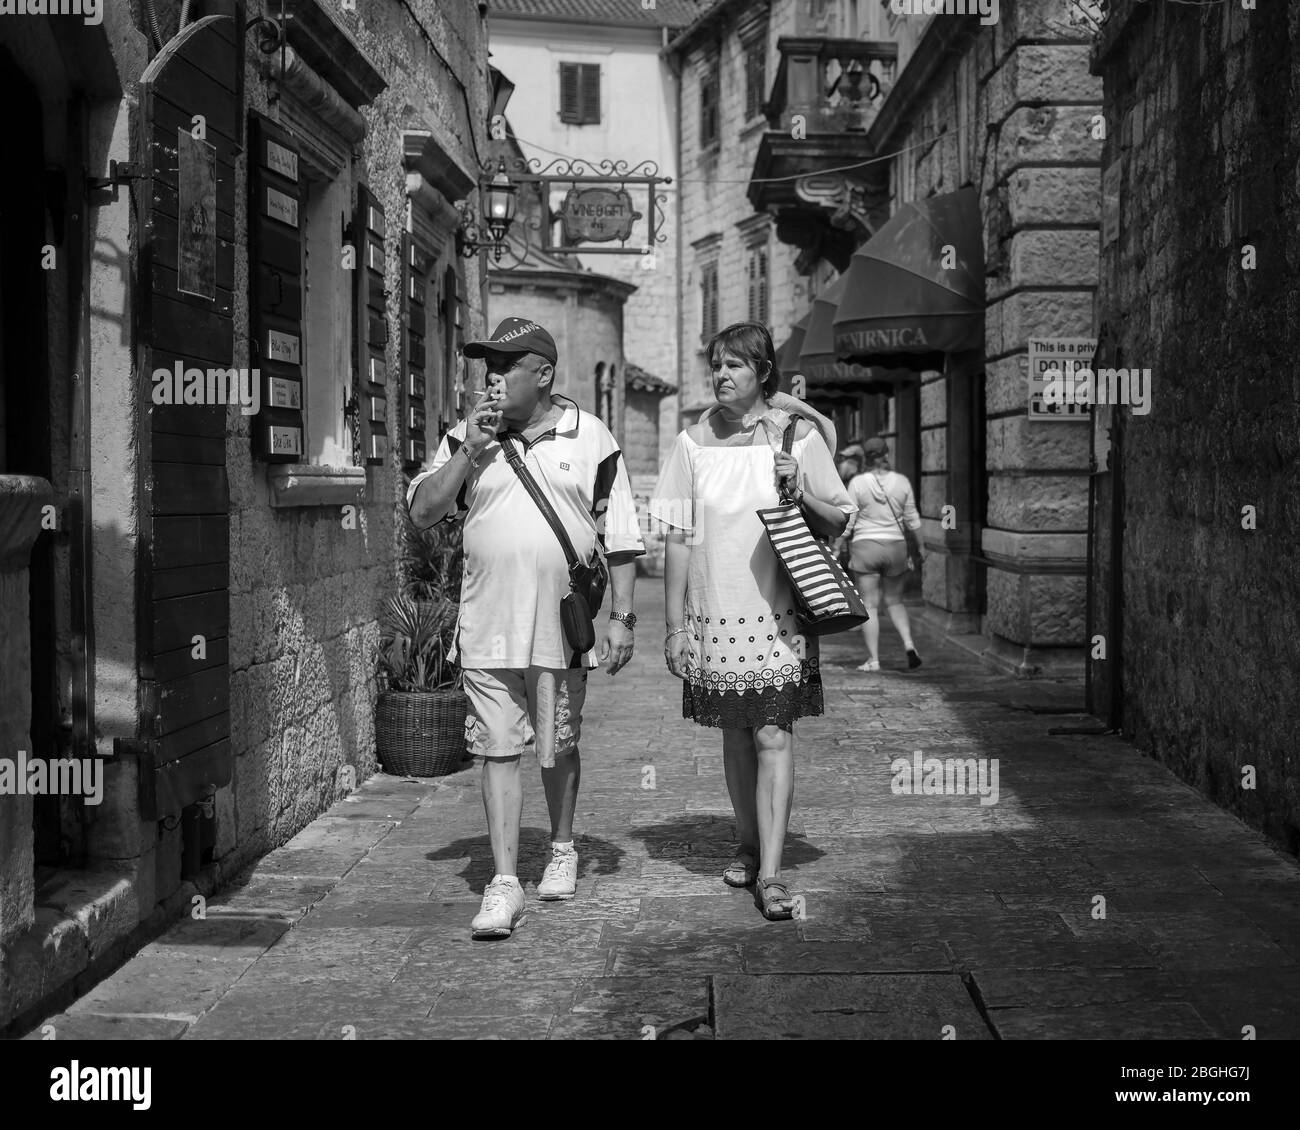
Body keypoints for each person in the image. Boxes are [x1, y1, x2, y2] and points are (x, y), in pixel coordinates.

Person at [407, 317, 645, 939]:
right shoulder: (467, 436)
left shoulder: (589, 435)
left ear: (542, 374)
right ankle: (505, 882)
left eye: (505, 365)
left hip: (560, 626)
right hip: (486, 622)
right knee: (496, 748)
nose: (491, 376)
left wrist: (621, 617)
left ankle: (562, 847)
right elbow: (425, 513)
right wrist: (469, 450)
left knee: (557, 744)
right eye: (487, 364)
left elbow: (620, 538)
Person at [650, 322, 854, 921]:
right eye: (716, 364)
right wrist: (675, 626)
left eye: (735, 365)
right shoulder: (691, 444)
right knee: (735, 734)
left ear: (763, 372)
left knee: (772, 733)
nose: (721, 375)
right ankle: (746, 841)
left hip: (779, 611)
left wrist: (799, 489)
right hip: (716, 615)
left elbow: (838, 518)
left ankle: (770, 871)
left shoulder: (796, 438)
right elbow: (679, 537)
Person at [845, 436, 924, 672]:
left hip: (865, 546)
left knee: (869, 604)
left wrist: (838, 542)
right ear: (886, 454)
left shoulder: (857, 483)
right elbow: (912, 519)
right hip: (895, 547)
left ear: (865, 458)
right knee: (895, 601)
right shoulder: (902, 482)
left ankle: (873, 660)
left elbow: (849, 518)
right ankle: (909, 645)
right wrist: (921, 547)